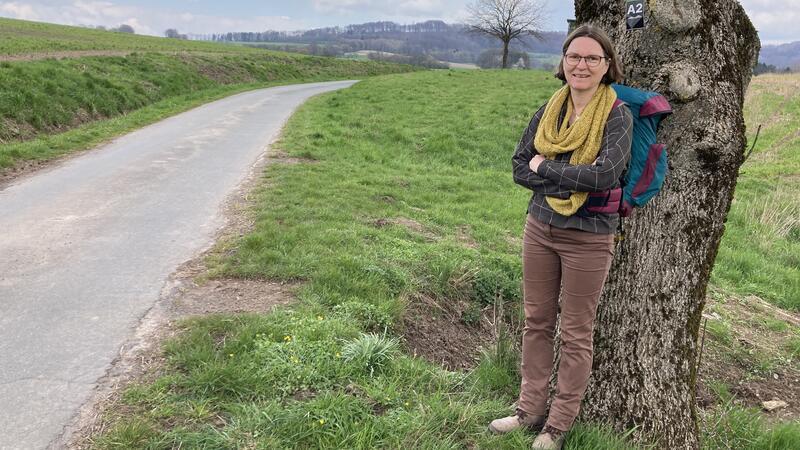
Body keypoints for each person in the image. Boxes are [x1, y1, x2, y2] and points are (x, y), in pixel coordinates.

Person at [488, 24, 633, 450]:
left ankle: (557, 425)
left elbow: (605, 175)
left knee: (575, 333)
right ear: (563, 62)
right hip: (539, 228)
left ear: (607, 66)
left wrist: (545, 169)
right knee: (536, 322)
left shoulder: (616, 115)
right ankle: (528, 410)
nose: (581, 65)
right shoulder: (548, 110)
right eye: (574, 56)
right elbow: (518, 166)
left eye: (592, 58)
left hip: (588, 237)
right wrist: (566, 183)